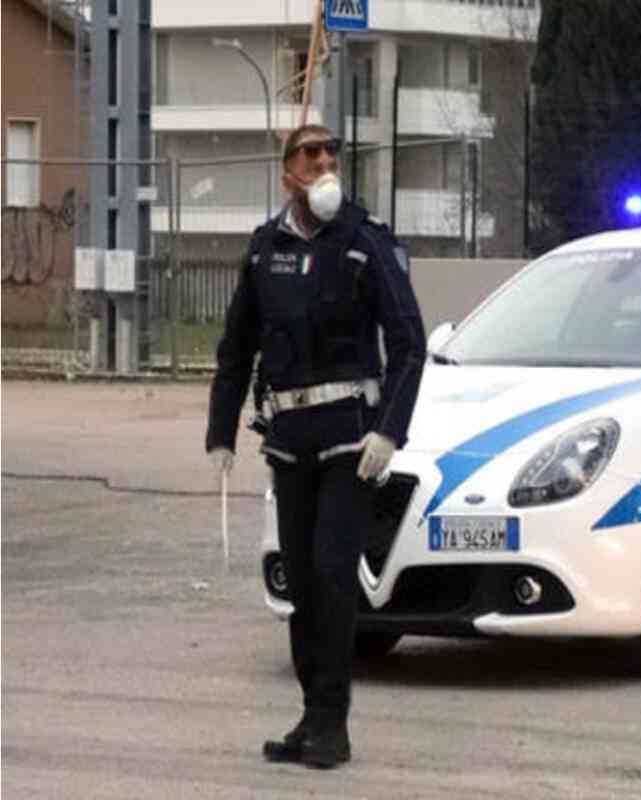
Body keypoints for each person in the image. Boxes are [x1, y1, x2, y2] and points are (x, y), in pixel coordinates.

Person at [205, 124, 426, 769]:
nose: (326, 162)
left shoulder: (364, 240)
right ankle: (311, 715)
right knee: (302, 582)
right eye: (311, 155)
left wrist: (390, 429)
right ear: (287, 174)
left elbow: (408, 342)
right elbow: (236, 347)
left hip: (350, 443)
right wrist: (221, 432)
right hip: (289, 440)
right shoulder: (263, 248)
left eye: (332, 154)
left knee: (332, 573)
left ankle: (334, 723)